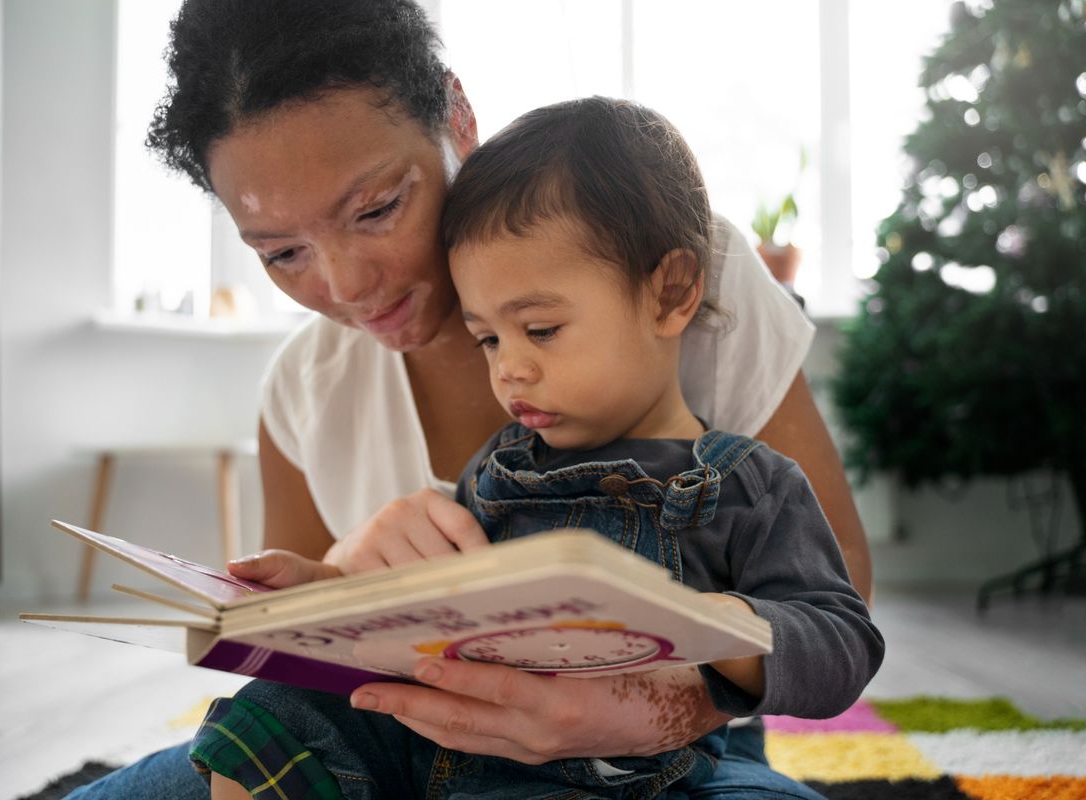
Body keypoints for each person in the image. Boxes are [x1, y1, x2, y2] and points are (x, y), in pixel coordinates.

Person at [68, 0, 873, 797]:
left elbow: (838, 599)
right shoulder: (306, 388)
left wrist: (654, 703)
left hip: (670, 760)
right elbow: (300, 673)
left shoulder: (670, 266)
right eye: (282, 253)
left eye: (378, 209)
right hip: (401, 749)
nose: (347, 284)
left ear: (457, 117)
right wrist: (343, 575)